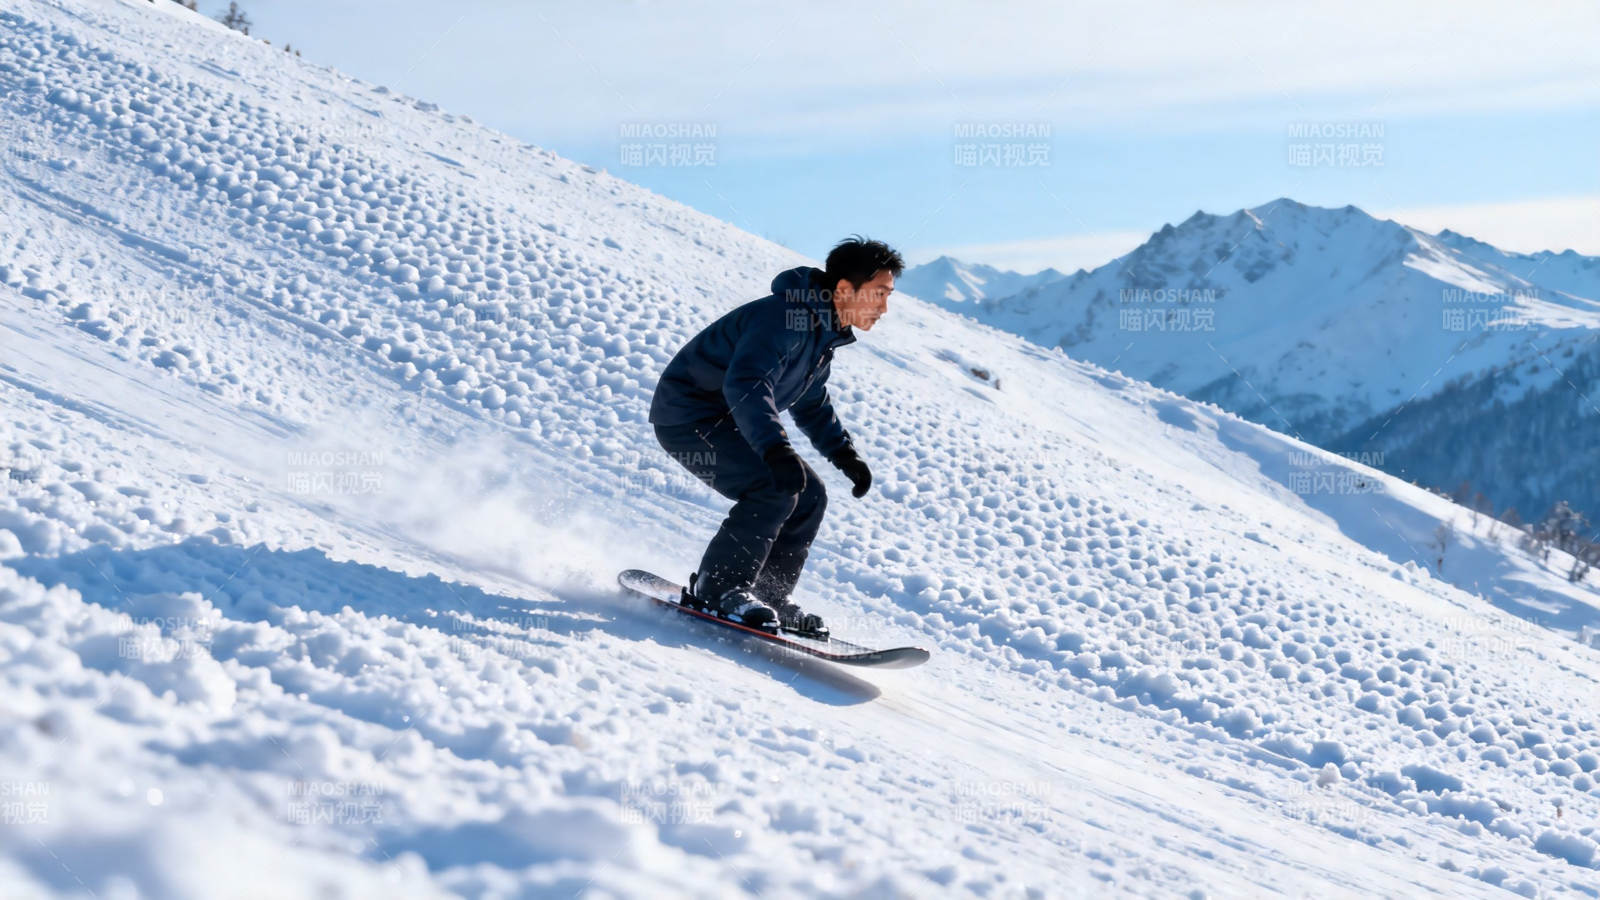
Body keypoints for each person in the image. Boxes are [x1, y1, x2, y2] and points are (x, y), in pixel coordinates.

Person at [648, 236, 904, 632]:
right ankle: (719, 589)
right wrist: (775, 450)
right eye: (879, 294)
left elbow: (810, 400)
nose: (885, 307)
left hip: (728, 421)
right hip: (687, 418)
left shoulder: (819, 330)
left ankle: (768, 595)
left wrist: (844, 455)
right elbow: (747, 385)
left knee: (810, 495)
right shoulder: (785, 319)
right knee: (775, 486)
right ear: (843, 289)